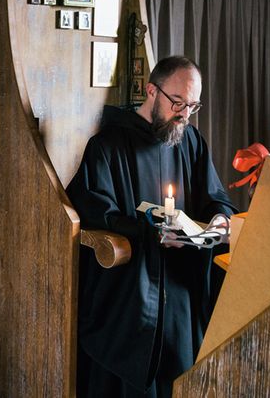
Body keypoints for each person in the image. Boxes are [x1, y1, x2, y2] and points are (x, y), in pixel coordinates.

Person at [66, 55, 236, 397]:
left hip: (181, 286)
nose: (185, 115)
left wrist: (219, 219)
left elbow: (214, 196)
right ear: (151, 91)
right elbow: (97, 212)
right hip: (131, 290)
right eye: (178, 102)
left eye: (193, 106)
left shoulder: (191, 142)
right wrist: (151, 233)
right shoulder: (108, 147)